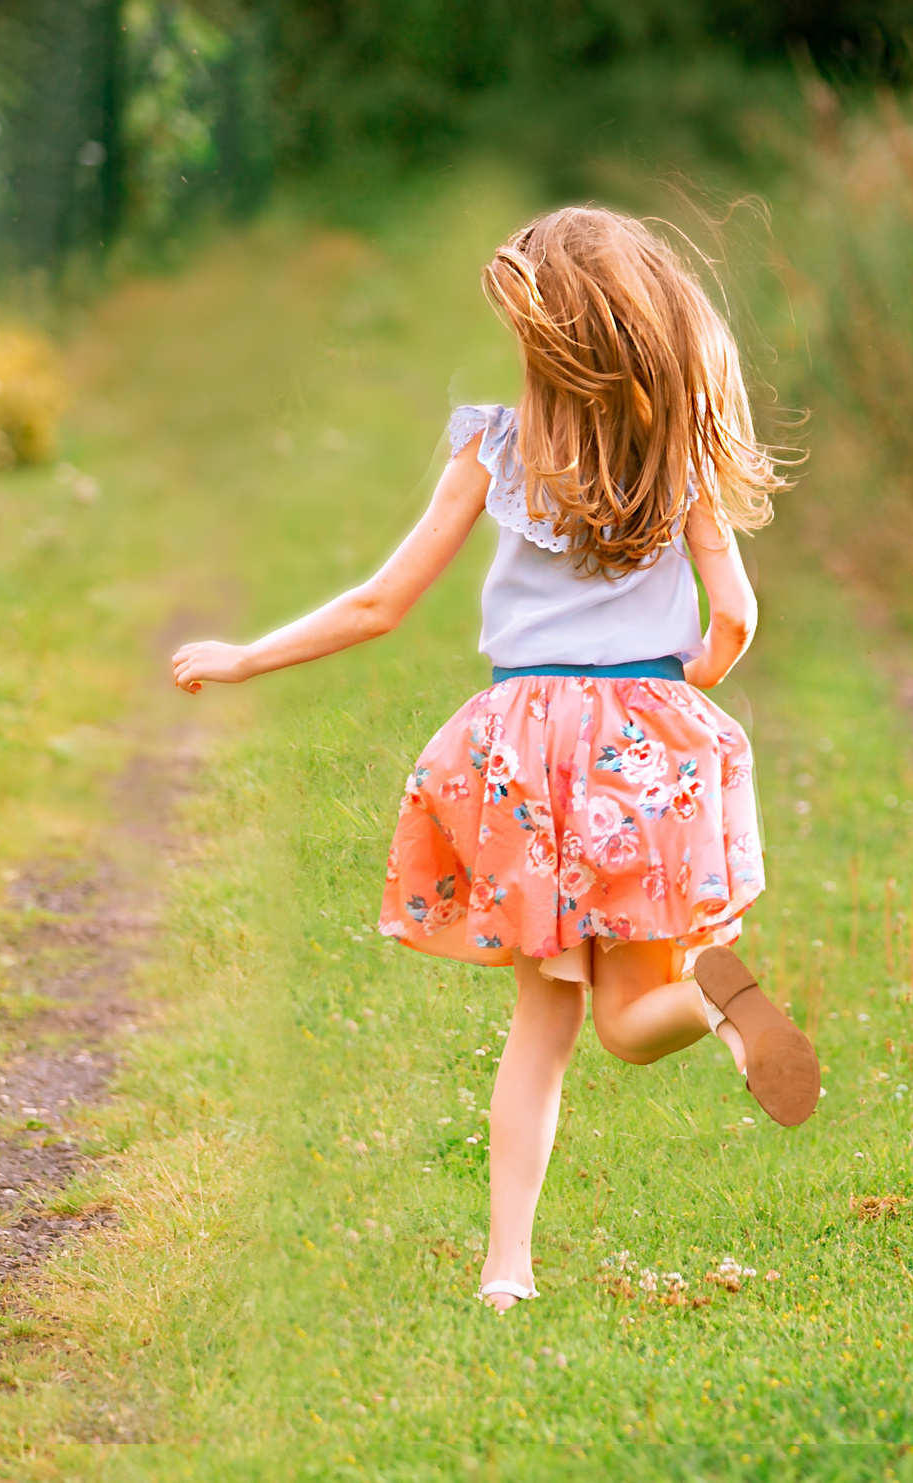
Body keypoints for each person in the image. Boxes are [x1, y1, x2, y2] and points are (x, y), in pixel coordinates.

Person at [169, 206, 816, 1313]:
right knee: (630, 1018)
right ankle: (720, 1007)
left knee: (547, 1029)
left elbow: (381, 603)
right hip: (643, 744)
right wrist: (681, 685)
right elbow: (737, 617)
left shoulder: (496, 447)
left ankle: (506, 1272)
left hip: (526, 756)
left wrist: (243, 657)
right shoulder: (680, 453)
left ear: (544, 343)